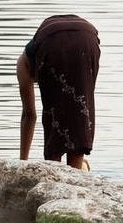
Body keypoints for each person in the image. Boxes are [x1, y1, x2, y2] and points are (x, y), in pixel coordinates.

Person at [16, 15, 100, 170]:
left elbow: (29, 115)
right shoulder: (31, 56)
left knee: (52, 115)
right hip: (88, 40)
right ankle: (77, 171)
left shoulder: (23, 64)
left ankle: (57, 171)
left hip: (53, 43)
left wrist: (22, 163)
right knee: (81, 107)